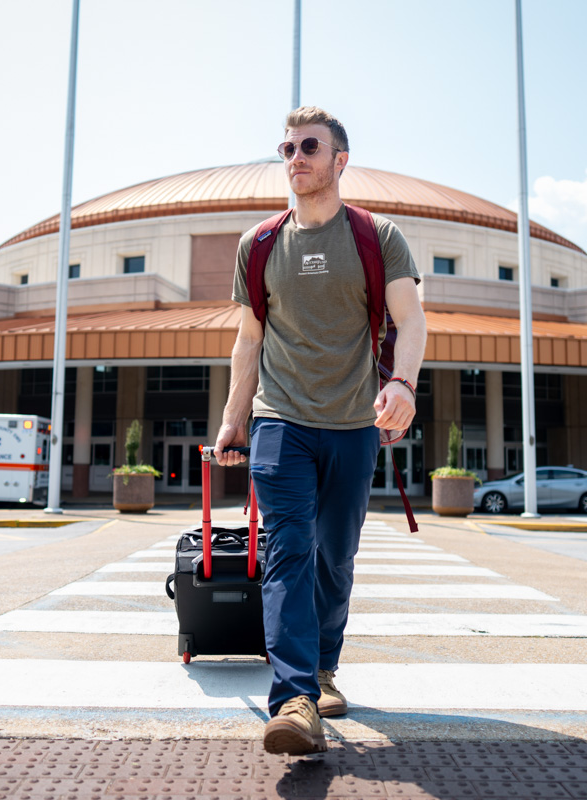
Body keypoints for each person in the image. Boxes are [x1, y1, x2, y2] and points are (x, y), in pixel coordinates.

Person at [214, 106, 427, 755]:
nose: (295, 156)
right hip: (280, 421)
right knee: (288, 552)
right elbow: (248, 341)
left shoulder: (377, 236)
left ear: (339, 160)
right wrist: (233, 420)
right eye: (287, 147)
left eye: (309, 146)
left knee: (335, 554)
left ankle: (325, 666)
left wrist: (403, 384)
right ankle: (295, 697)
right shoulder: (259, 245)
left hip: (353, 423)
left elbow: (410, 322)